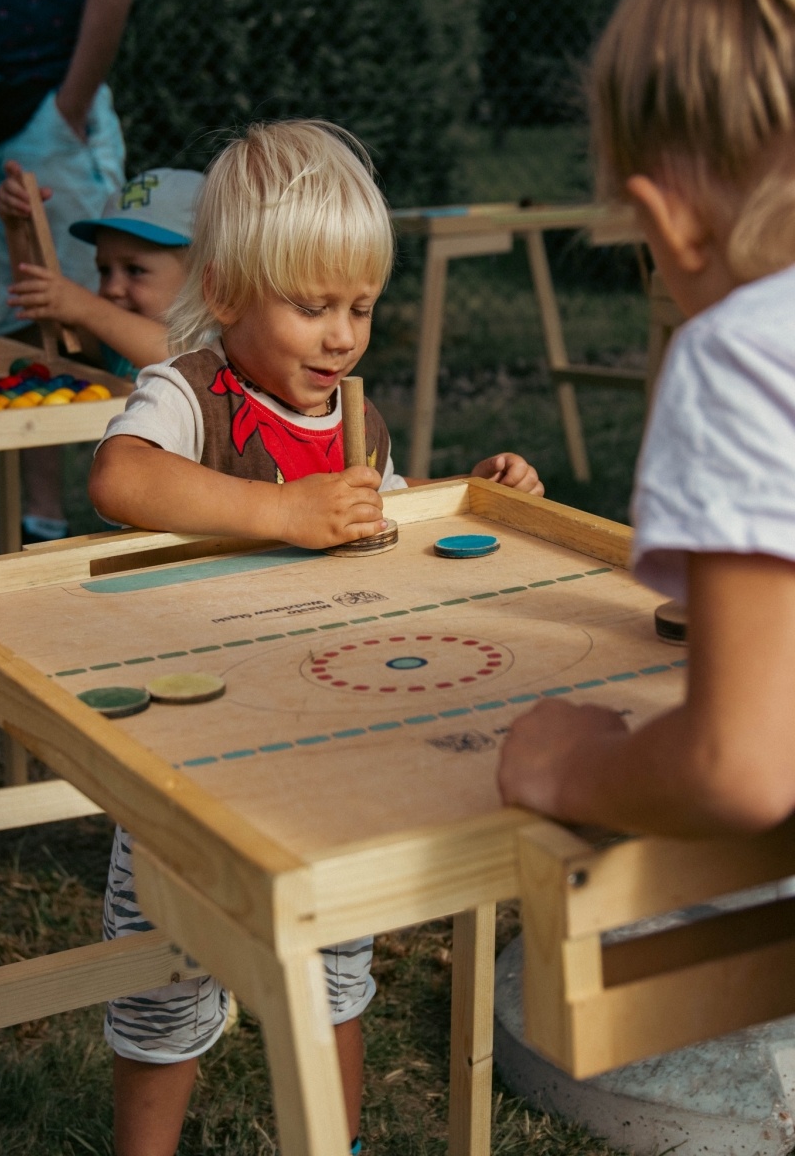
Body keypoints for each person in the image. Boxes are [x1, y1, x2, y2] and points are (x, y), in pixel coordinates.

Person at [88, 118, 544, 1156]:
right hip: (182, 757)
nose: (341, 336)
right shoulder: (186, 389)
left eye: (360, 308)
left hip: (319, 749)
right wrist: (284, 512)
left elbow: (373, 526)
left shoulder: (352, 418)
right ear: (234, 290)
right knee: (167, 977)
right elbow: (121, 480)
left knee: (338, 974)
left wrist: (469, 501)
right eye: (312, 307)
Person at [498, 0, 795, 839]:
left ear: (665, 221)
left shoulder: (739, 352)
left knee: (528, 984)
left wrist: (571, 768)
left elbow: (737, 766)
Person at [0, 0, 136, 543]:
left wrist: (66, 110)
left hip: (47, 112)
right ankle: (39, 526)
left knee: (101, 332)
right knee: (20, 334)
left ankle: (143, 508)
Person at [0, 164, 205, 380]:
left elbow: (177, 355)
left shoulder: (218, 343)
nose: (112, 288)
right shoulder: (117, 348)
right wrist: (17, 227)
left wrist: (85, 306)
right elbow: (43, 304)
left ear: (205, 277)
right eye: (104, 270)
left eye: (135, 270)